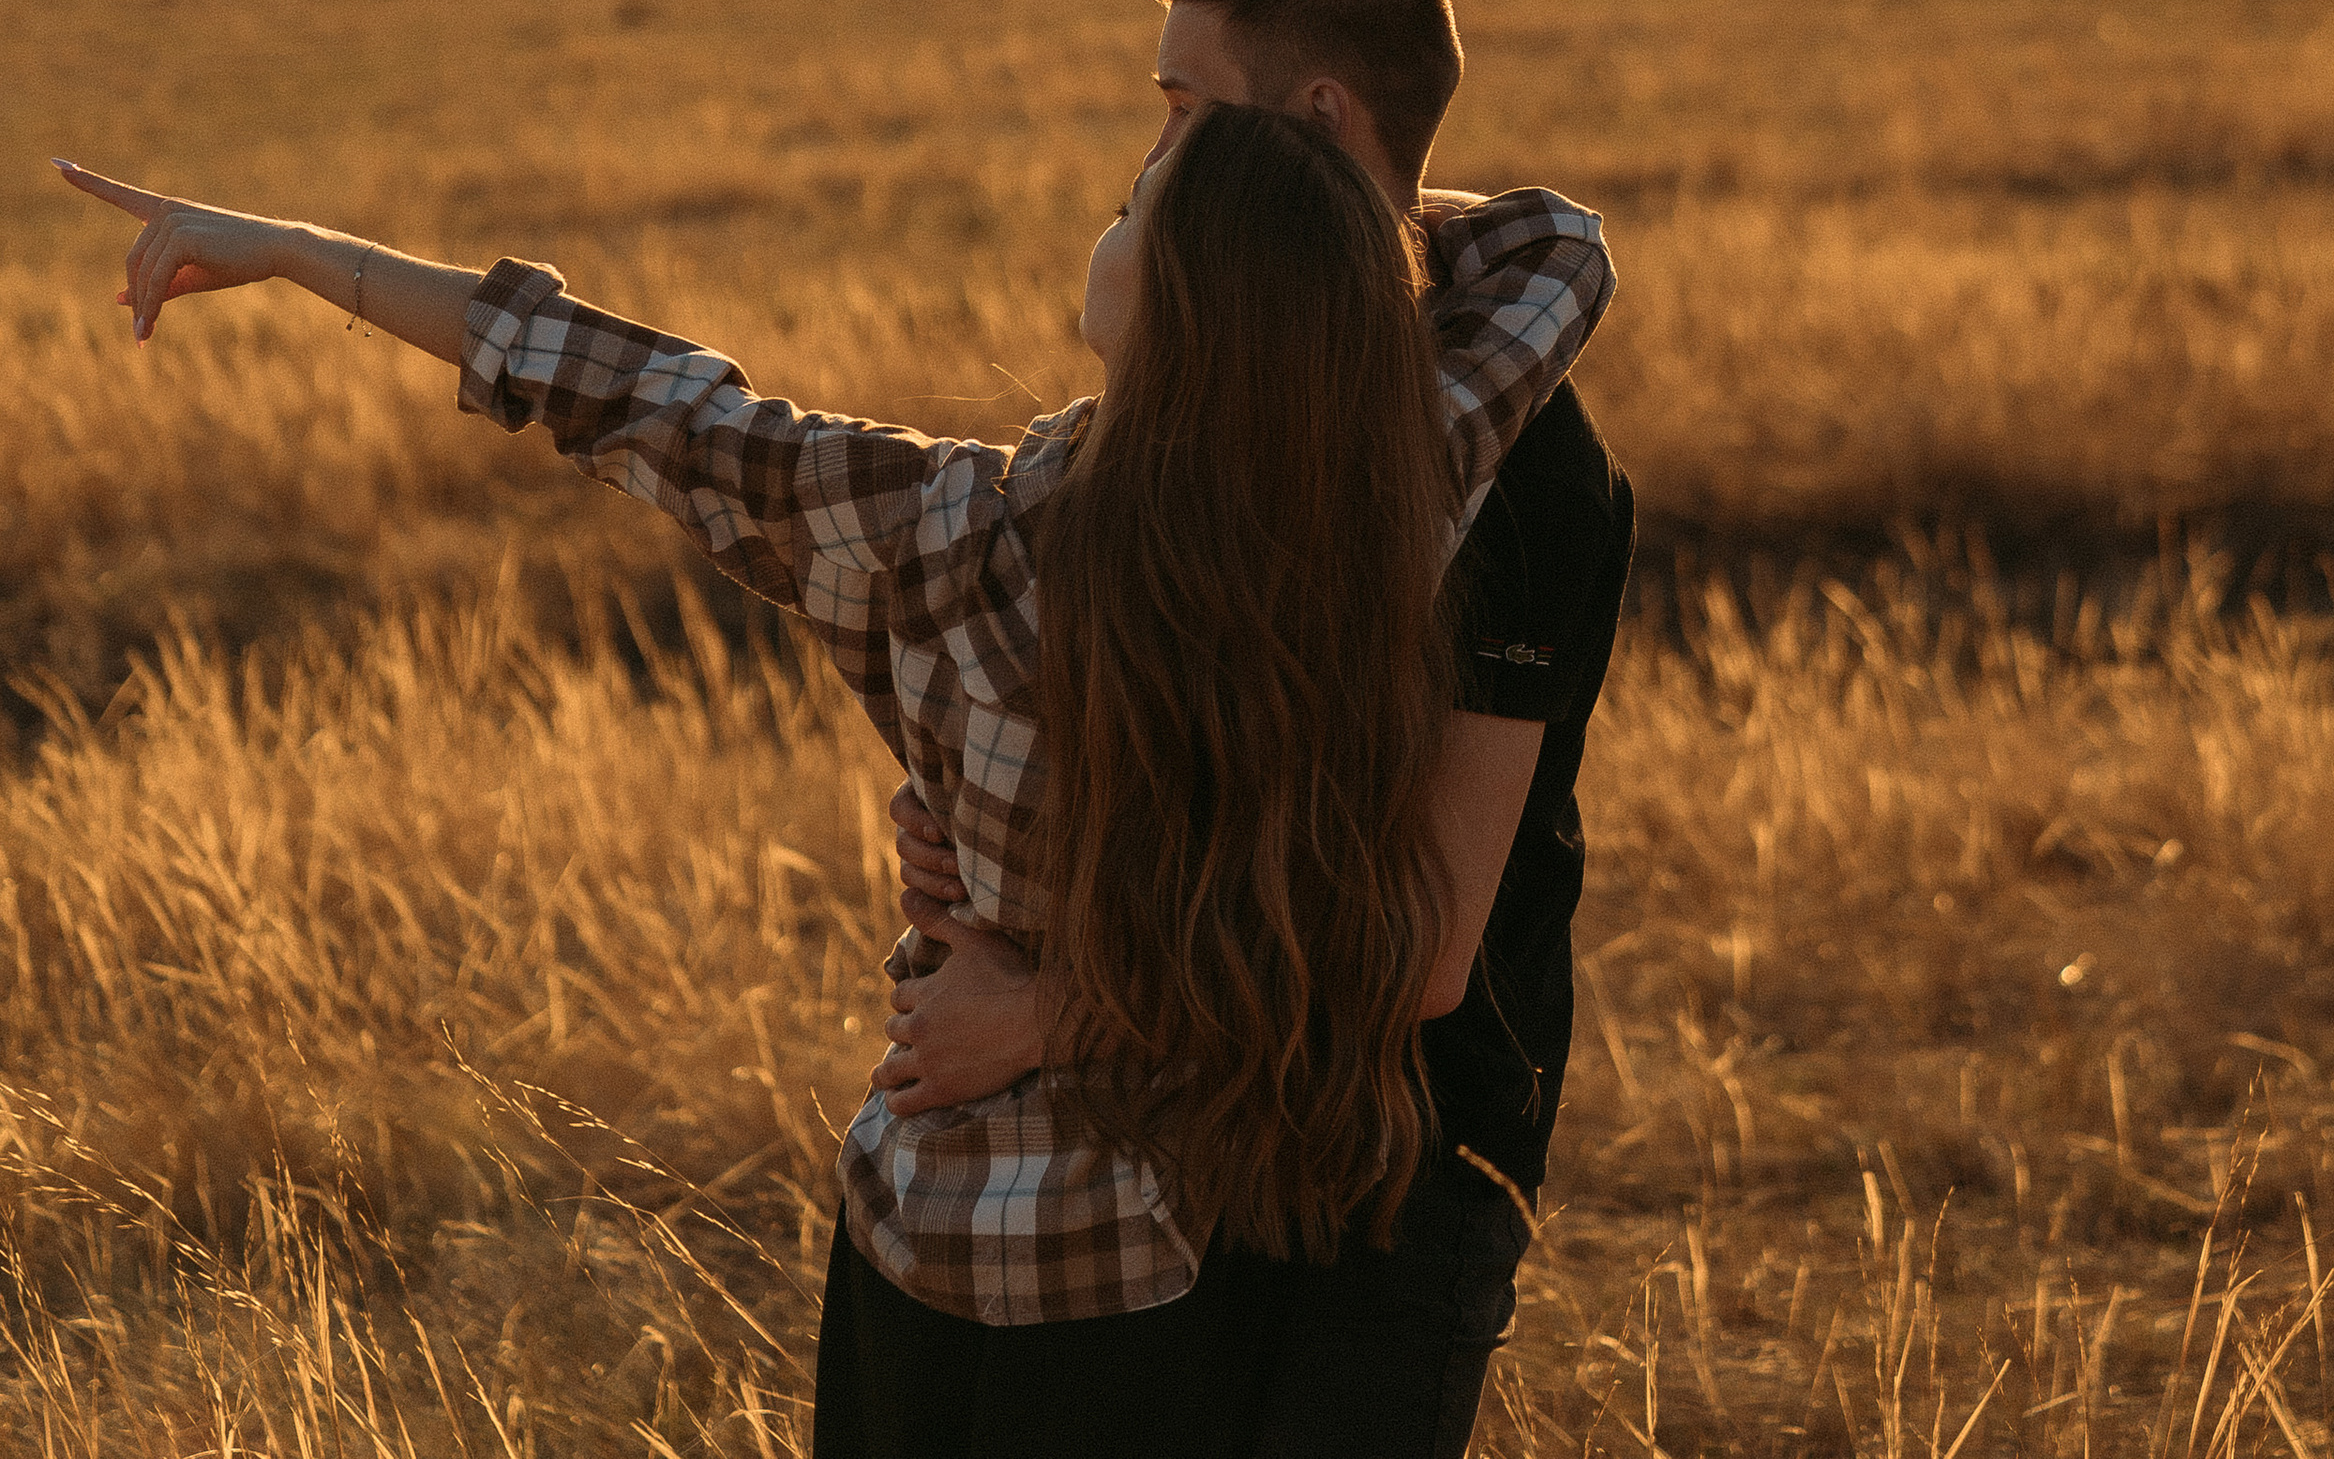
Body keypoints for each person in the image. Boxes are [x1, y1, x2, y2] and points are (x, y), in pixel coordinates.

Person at [53, 76, 1612, 1459]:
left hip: (929, 1242)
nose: (1117, 199)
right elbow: (1557, 255)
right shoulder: (1395, 488)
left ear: (1178, 299)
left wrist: (302, 252)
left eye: (1141, 196)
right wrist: (1328, 198)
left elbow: (645, 398)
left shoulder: (947, 537)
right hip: (1170, 1264)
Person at [880, 0, 1637, 1457]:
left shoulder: (1526, 468)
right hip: (1182, 1143)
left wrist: (1040, 1020)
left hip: (1408, 1164)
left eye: (1180, 109)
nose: (1155, 160)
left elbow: (1422, 954)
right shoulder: (1196, 395)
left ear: (1315, 115)